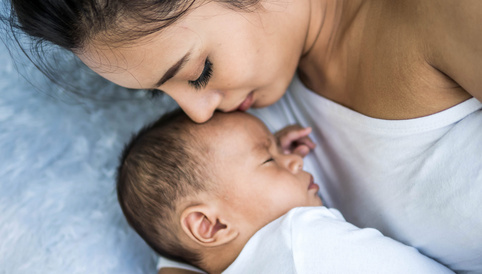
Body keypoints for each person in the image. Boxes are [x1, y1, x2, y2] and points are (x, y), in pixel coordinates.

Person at [7, 0, 482, 272]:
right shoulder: (226, 139)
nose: (196, 110)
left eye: (198, 72)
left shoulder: (447, 14)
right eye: (160, 94)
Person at [117, 109, 452, 274]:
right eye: (269, 158)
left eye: (279, 147)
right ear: (211, 226)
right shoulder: (302, 241)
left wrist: (267, 155)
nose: (294, 160)